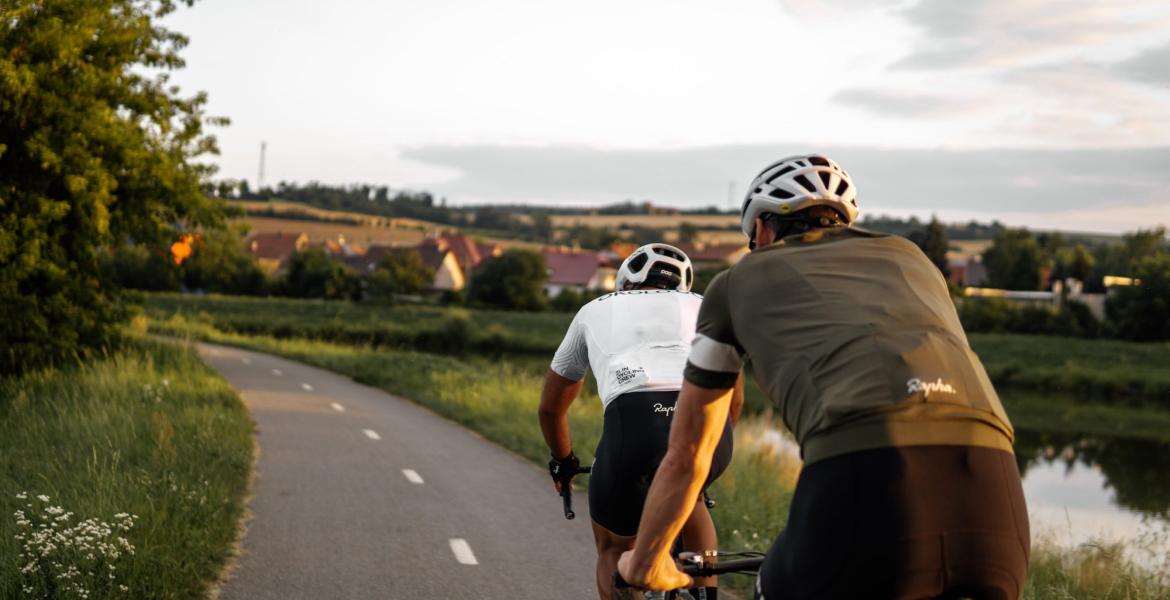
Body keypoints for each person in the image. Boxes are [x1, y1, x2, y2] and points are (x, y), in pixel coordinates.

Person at [618, 154, 1029, 599]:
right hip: (995, 488)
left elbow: (687, 456)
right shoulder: (914, 260)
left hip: (867, 473)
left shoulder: (737, 281)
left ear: (761, 229)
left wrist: (645, 562)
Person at [539, 243, 742, 600]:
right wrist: (710, 452)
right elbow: (733, 396)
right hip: (710, 423)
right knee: (690, 493)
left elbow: (551, 408)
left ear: (624, 282)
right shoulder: (704, 303)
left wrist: (564, 462)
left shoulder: (595, 309)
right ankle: (707, 591)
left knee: (613, 551)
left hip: (634, 425)